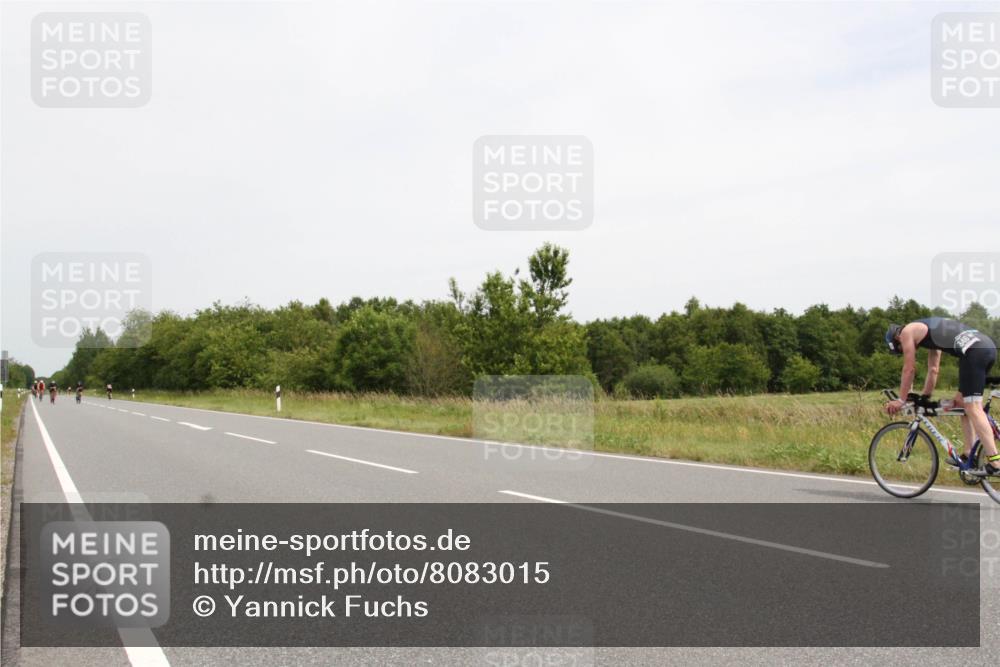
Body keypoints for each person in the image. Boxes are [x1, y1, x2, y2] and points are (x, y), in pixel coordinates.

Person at [884, 317, 998, 475]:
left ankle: (995, 462)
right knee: (960, 403)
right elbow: (933, 369)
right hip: (986, 346)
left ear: (897, 339)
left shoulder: (907, 332)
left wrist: (901, 400)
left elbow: (909, 368)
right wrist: (925, 397)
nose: (905, 349)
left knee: (973, 408)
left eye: (900, 349)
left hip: (973, 353)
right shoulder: (930, 330)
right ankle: (968, 454)